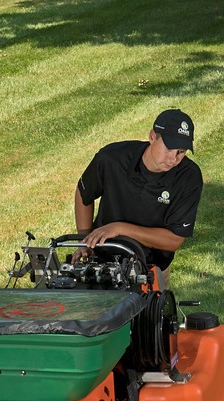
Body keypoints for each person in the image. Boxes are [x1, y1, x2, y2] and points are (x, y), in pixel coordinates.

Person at [74, 108, 203, 285]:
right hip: (102, 263)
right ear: (152, 137)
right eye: (169, 148)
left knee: (150, 312)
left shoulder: (188, 177)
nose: (173, 159)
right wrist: (85, 240)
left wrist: (119, 228)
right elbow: (84, 193)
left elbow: (173, 240)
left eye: (181, 152)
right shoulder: (112, 158)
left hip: (151, 271)